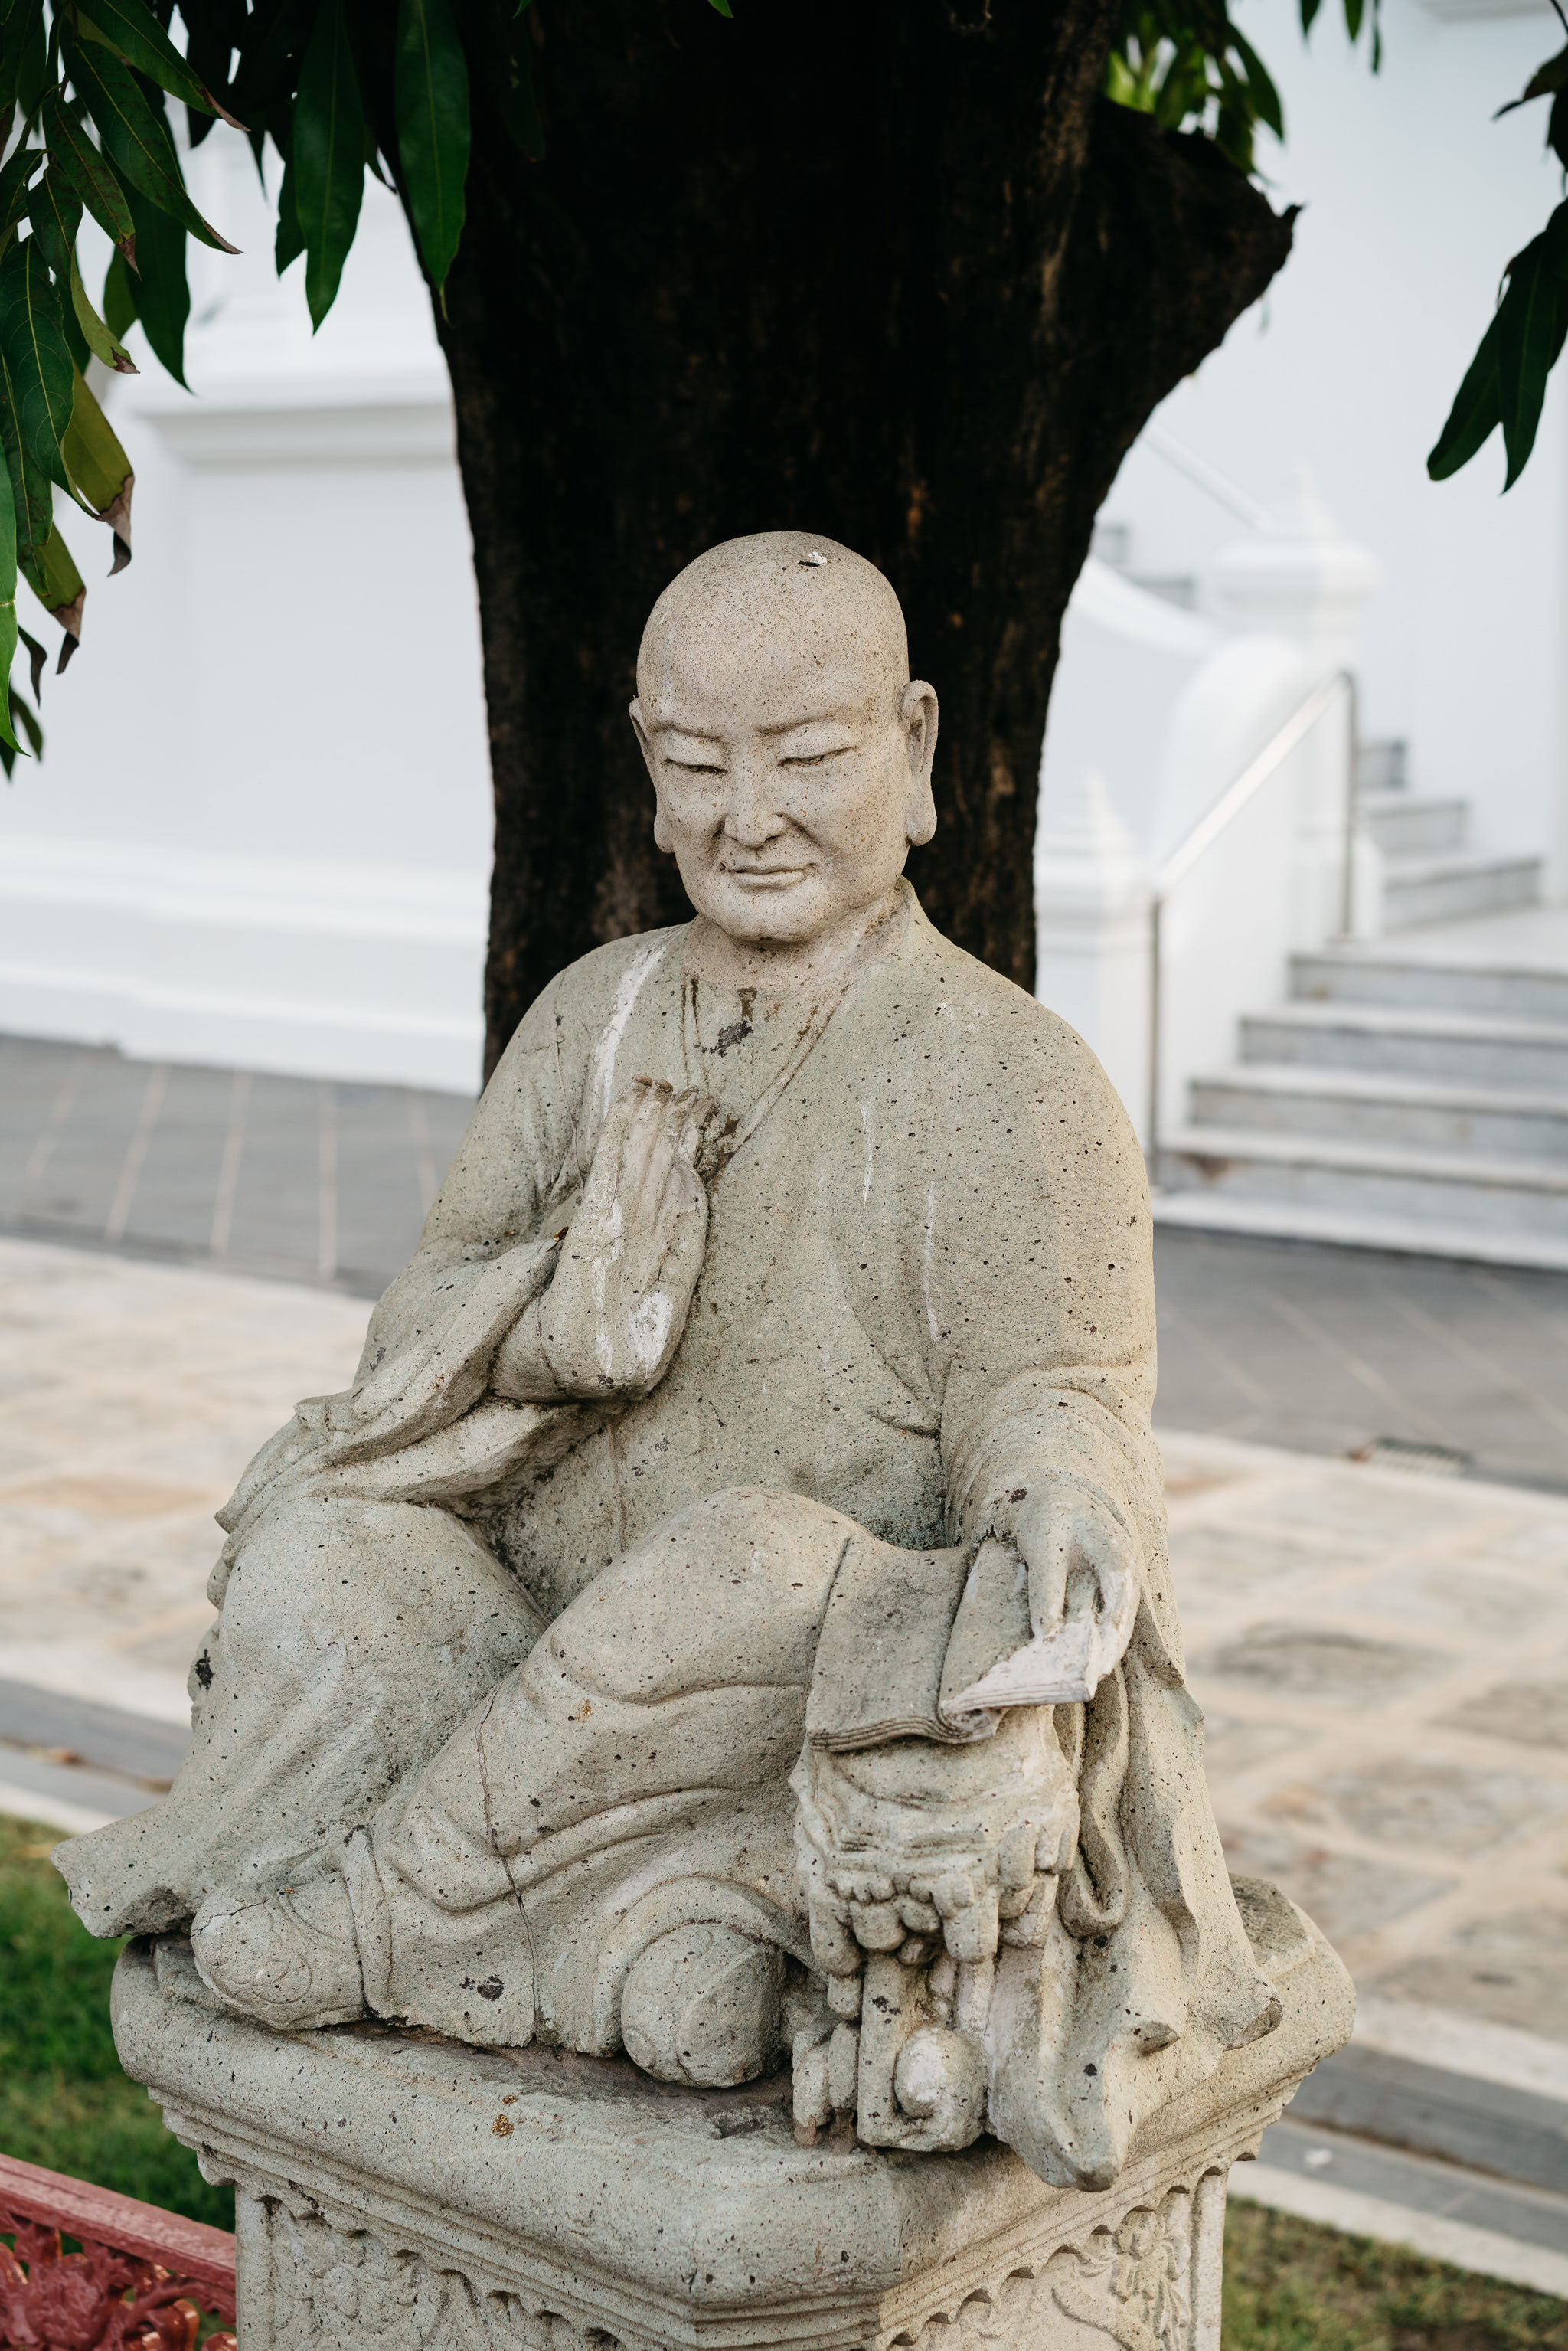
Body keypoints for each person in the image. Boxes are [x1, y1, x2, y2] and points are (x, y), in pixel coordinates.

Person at [58, 532, 1276, 2191]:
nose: (746, 813)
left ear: (913, 751)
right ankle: (632, 1942)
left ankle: (386, 1918)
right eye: (697, 764)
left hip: (791, 1665)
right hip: (540, 1641)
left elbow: (1050, 1377)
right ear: (648, 764)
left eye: (809, 759)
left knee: (752, 1556)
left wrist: (1060, 1481)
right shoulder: (590, 1021)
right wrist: (553, 1332)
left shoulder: (1010, 1076)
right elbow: (410, 1341)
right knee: (321, 1563)